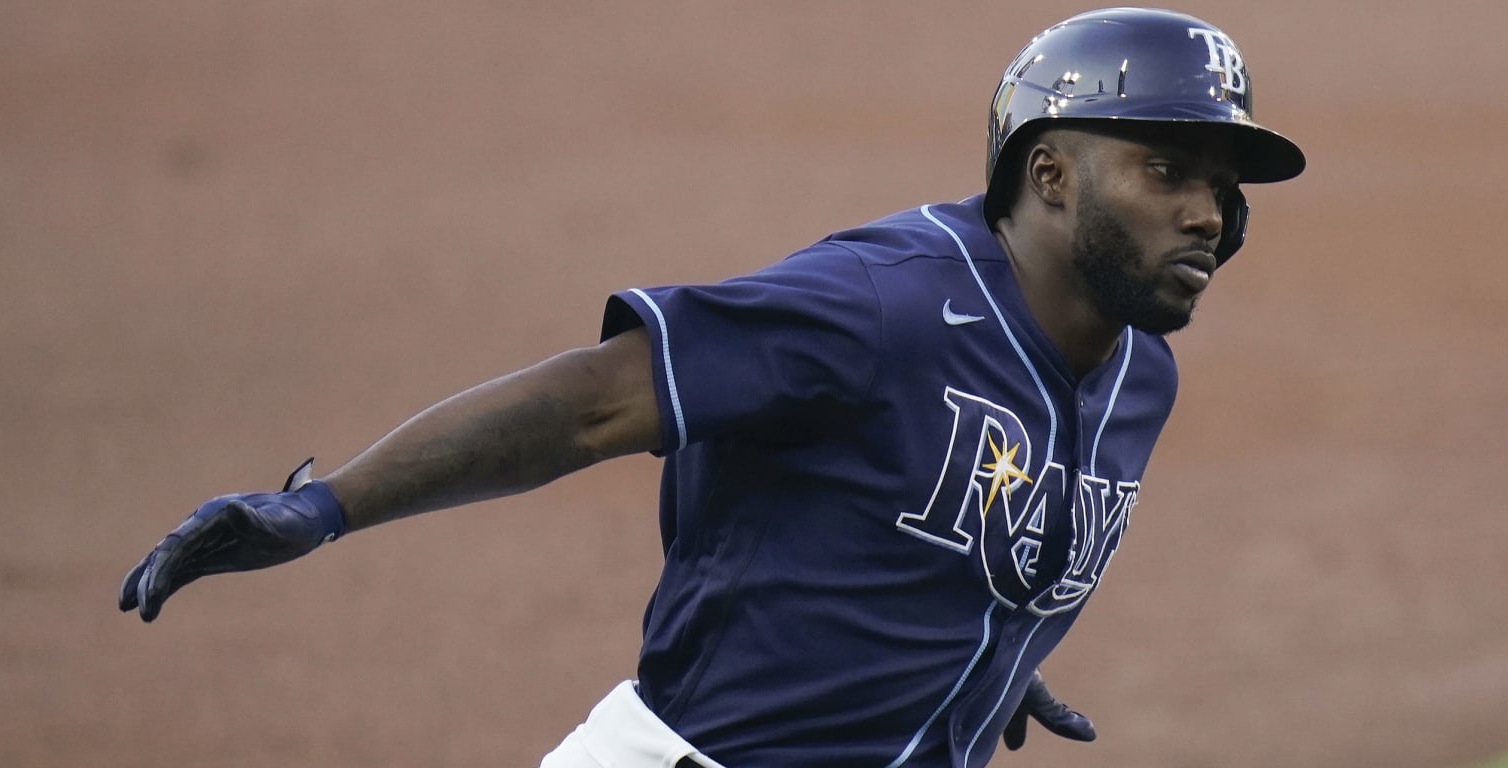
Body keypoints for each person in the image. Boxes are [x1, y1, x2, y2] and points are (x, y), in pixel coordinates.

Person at [119, 7, 1305, 767]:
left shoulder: (1140, 371)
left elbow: (937, 499)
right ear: (1049, 172)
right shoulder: (880, 303)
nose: (1209, 210)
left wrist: (977, 637)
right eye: (1166, 170)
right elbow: (592, 401)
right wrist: (326, 508)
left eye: (1222, 182)